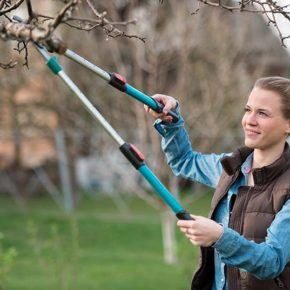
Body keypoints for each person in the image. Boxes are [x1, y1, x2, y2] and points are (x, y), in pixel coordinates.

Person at [145, 76, 290, 290]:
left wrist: (219, 237)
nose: (249, 120)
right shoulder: (230, 168)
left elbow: (272, 262)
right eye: (248, 109)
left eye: (262, 113)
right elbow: (184, 161)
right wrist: (172, 119)